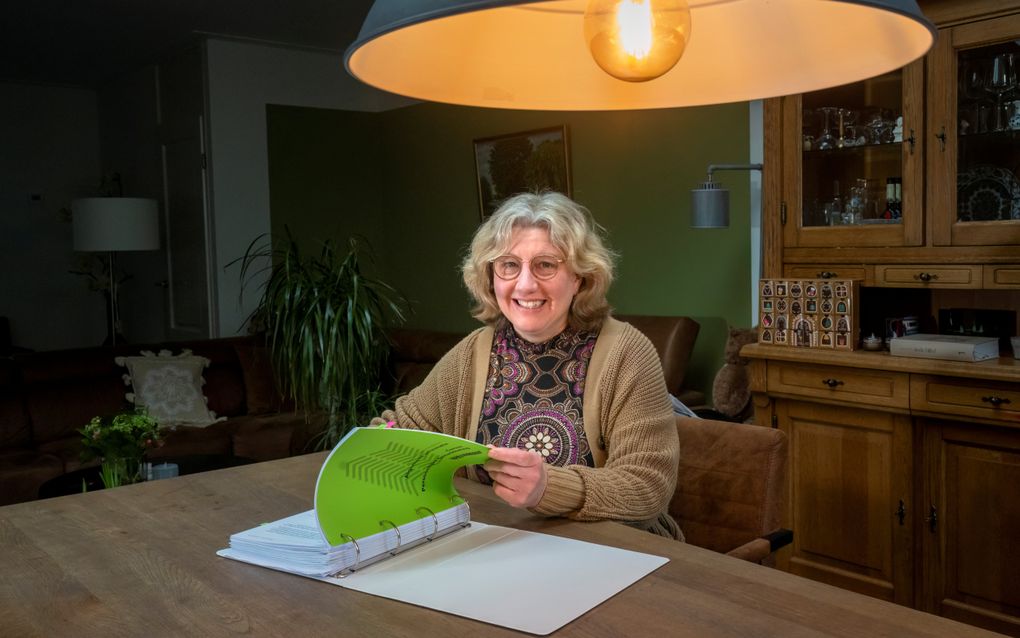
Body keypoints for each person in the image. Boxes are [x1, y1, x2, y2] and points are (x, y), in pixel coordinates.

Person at [377, 192, 681, 539]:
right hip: (498, 545)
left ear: (580, 277)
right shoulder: (473, 352)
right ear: (491, 277)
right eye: (509, 265)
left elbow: (648, 487)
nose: (525, 284)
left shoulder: (627, 352)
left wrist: (549, 487)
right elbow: (404, 429)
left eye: (546, 265)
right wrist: (384, 445)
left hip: (613, 553)